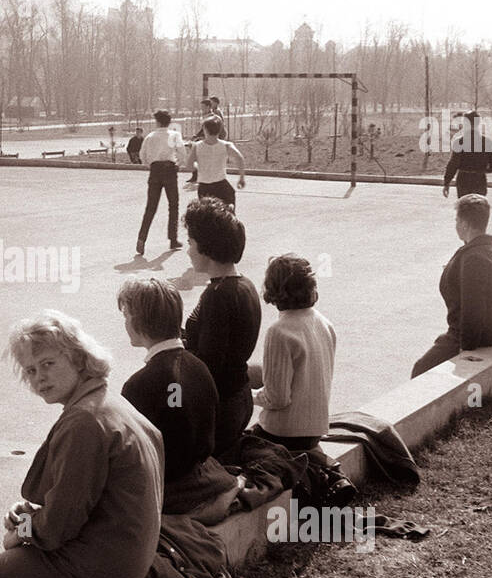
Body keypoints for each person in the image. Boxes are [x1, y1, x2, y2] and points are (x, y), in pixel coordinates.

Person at [0, 310, 163, 578]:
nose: (39, 378)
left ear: (78, 359)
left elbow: (58, 526)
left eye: (48, 364)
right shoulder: (107, 401)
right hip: (129, 554)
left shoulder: (83, 421)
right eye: (31, 370)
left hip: (104, 565)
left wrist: (22, 531)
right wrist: (31, 518)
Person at [118, 279, 238, 522]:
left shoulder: (140, 385)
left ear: (139, 321)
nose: (125, 323)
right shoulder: (198, 366)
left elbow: (129, 458)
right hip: (203, 473)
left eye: (126, 315)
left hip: (171, 486)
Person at [183, 197, 262, 454]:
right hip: (240, 397)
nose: (188, 250)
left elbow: (208, 364)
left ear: (206, 247)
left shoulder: (217, 295)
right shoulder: (244, 285)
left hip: (221, 408)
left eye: (191, 243)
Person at [410, 194, 492, 378]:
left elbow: (473, 310)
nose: (456, 225)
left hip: (473, 338)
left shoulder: (474, 258)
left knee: (421, 369)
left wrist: (466, 352)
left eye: (457, 220)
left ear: (465, 224)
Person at [250, 255, 337, 453]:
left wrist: (246, 396)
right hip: (315, 430)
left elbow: (277, 399)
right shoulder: (325, 324)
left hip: (284, 434)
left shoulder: (279, 331)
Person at [135, 110, 185, 255]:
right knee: (173, 205)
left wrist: (150, 165)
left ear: (157, 122)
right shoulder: (174, 135)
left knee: (151, 207)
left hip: (155, 170)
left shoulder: (150, 136)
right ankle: (173, 238)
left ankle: (142, 238)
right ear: (169, 122)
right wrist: (178, 164)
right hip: (170, 170)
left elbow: (142, 155)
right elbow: (182, 153)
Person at [189, 117, 245, 211]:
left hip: (204, 186)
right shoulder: (226, 145)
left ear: (205, 130)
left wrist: (199, 167)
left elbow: (189, 165)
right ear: (219, 130)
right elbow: (239, 158)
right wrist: (241, 178)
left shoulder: (197, 146)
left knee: (207, 216)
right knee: (227, 216)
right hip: (221, 185)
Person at [442, 110, 492, 197]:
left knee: (465, 207)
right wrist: (484, 170)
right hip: (480, 179)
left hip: (463, 180)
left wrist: (447, 183)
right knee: (478, 207)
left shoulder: (460, 142)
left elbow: (453, 164)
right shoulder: (486, 142)